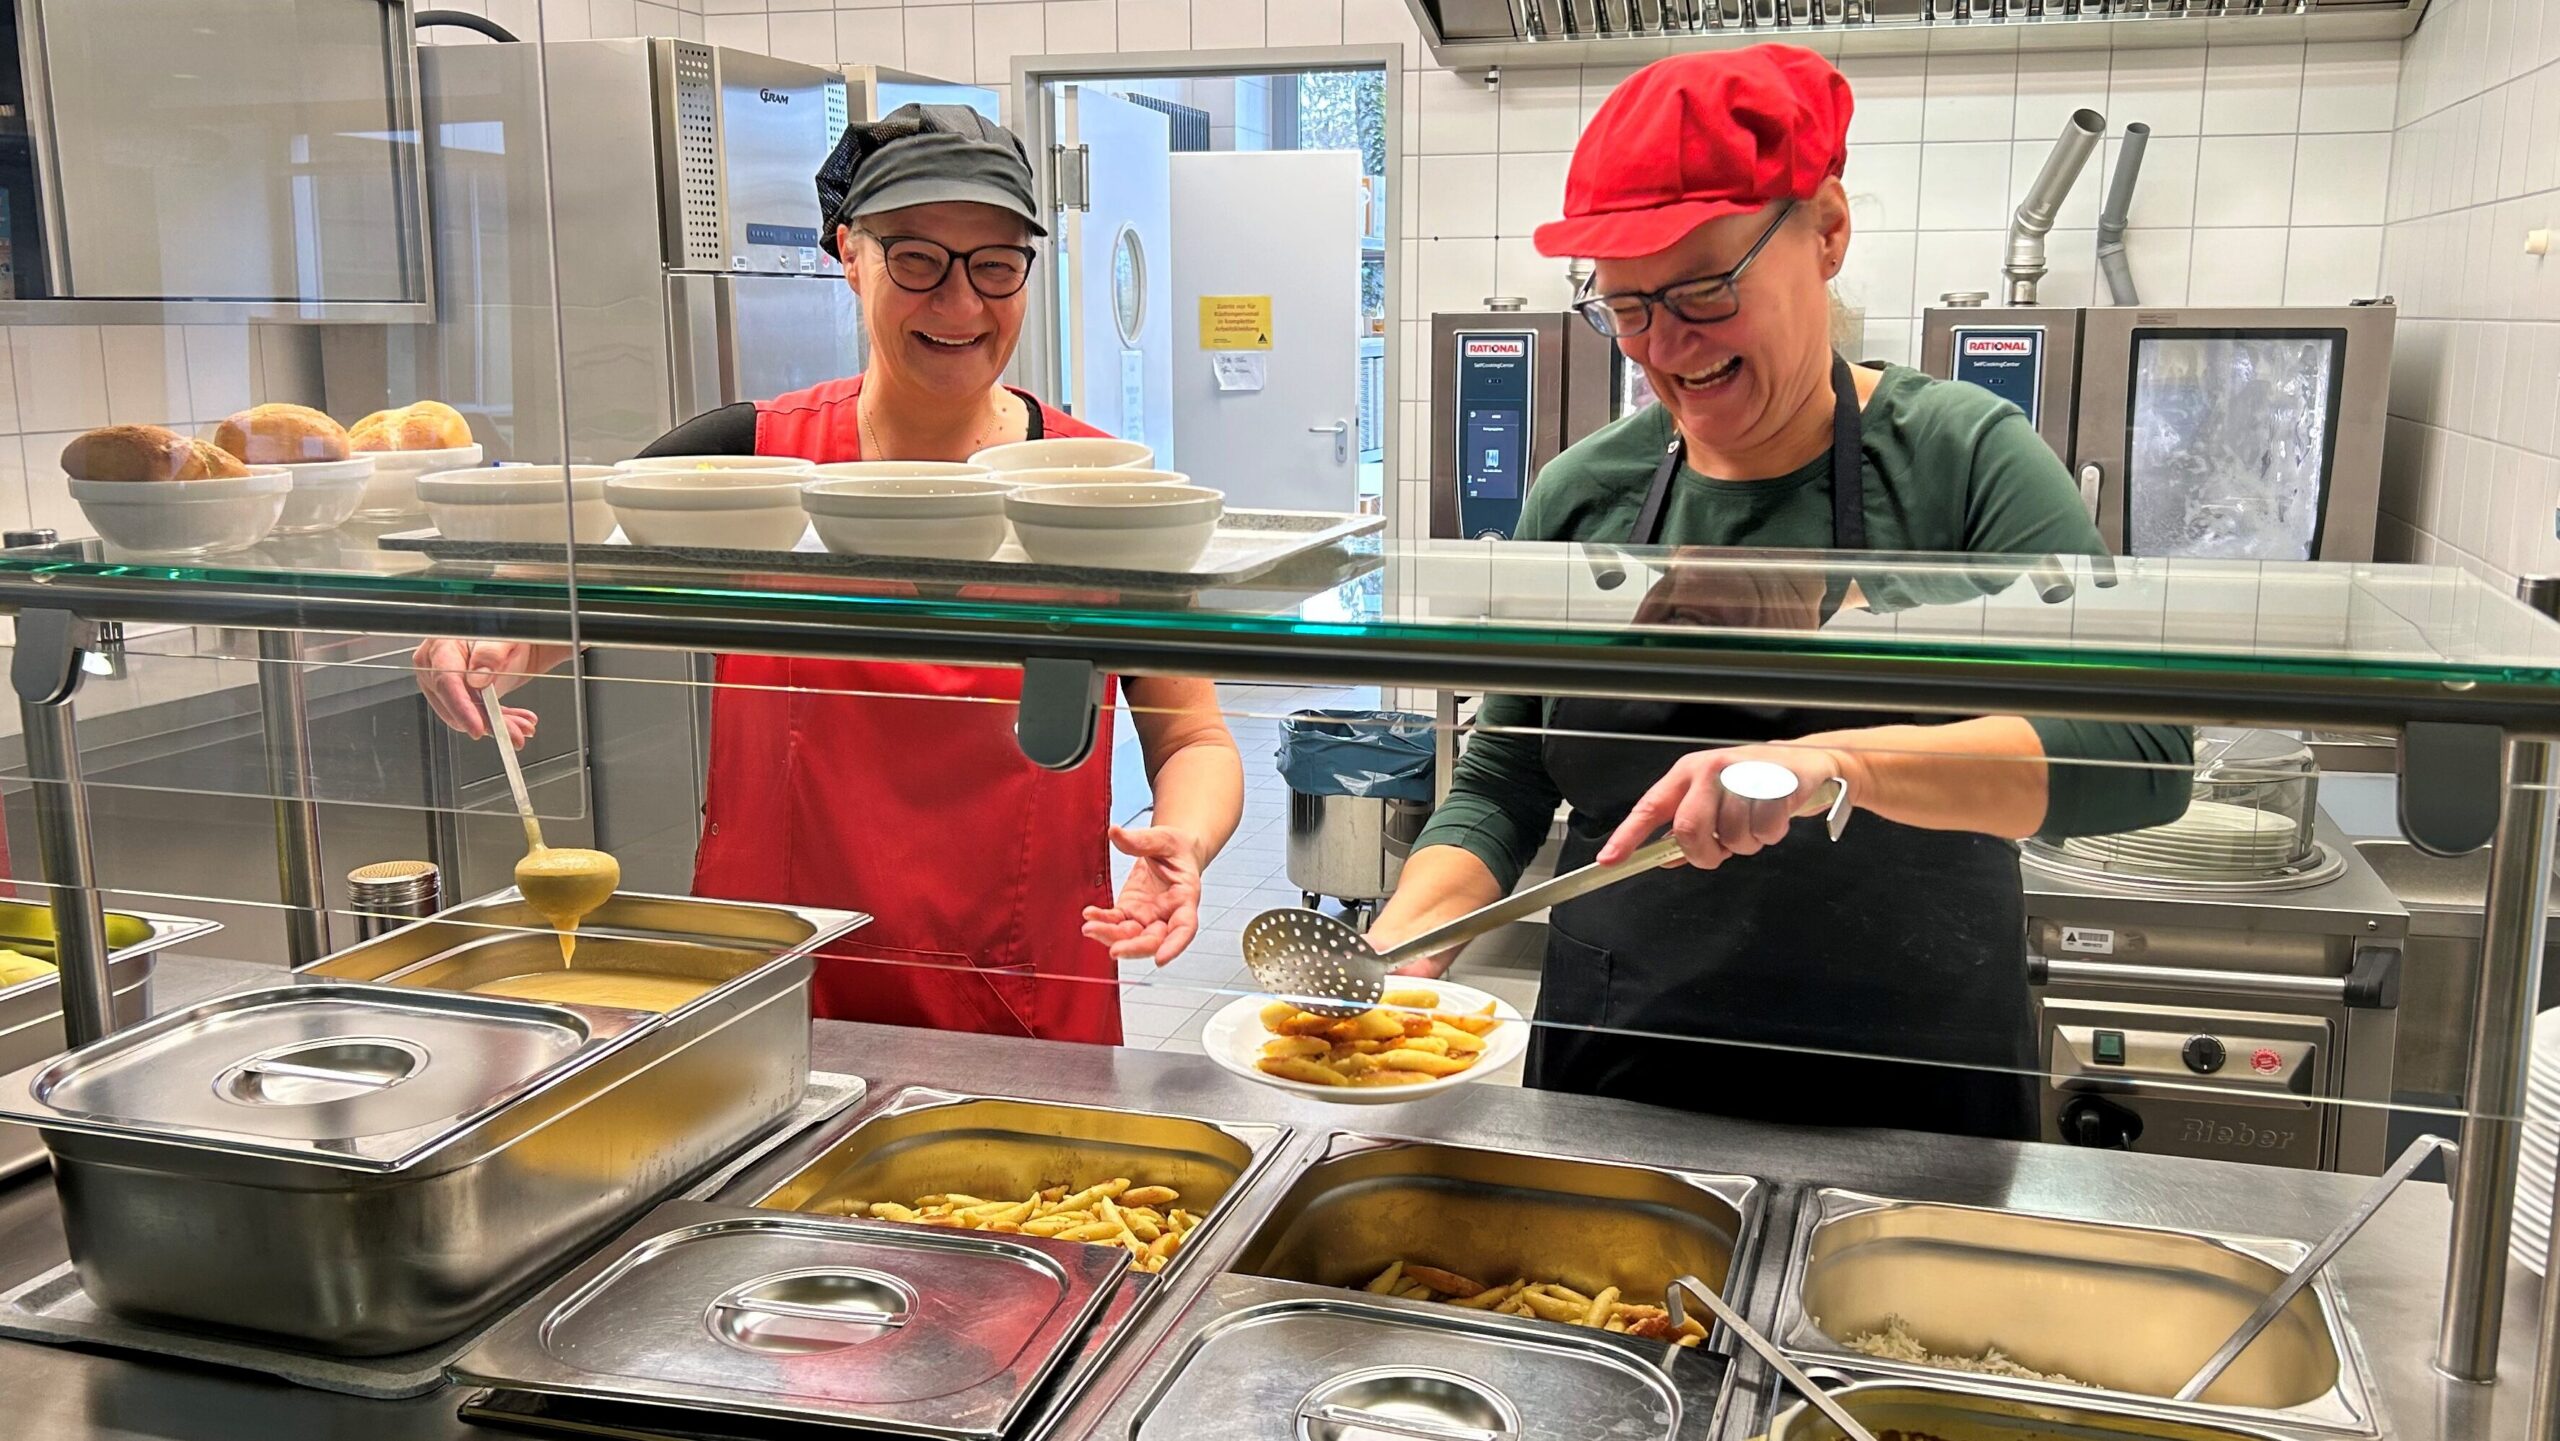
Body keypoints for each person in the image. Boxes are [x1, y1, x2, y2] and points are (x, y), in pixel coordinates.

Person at [1363, 46, 2192, 1140]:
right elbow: (1507, 780)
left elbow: (2140, 753)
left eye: (1705, 291)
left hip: (1913, 1092)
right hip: (1619, 1076)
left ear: (1827, 232)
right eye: (1626, 308)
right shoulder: (1581, 494)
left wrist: (1834, 766)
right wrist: (1386, 957)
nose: (1667, 346)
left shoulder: (1962, 459)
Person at [414, 105, 1243, 1044]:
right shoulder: (746, 461)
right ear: (849, 253)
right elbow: (561, 598)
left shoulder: (1098, 488)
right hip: (773, 983)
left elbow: (1195, 740)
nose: (962, 303)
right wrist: (485, 638)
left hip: (1019, 991)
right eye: (918, 259)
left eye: (996, 263)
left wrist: (1189, 840)